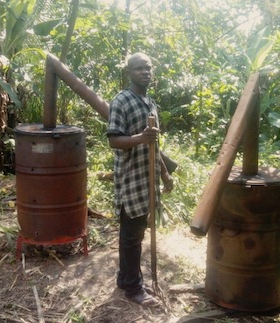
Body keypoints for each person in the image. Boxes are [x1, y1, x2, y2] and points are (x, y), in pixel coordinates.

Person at [107, 52, 173, 307]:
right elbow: (114, 140)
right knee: (132, 236)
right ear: (129, 73)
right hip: (131, 179)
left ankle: (125, 279)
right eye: (138, 68)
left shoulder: (150, 103)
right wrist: (139, 138)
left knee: (135, 232)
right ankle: (134, 289)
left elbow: (153, 147)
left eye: (148, 67)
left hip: (149, 180)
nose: (145, 72)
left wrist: (165, 174)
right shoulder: (121, 101)